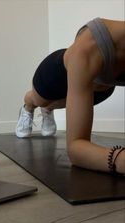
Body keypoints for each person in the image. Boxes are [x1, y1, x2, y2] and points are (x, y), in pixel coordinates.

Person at [15, 17, 125, 176]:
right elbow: (76, 149)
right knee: (40, 100)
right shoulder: (88, 47)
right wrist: (120, 160)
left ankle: (48, 109)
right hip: (56, 75)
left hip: (99, 89)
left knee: (56, 104)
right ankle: (28, 105)